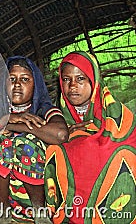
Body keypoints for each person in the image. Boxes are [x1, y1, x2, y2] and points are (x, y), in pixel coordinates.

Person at [0, 56, 68, 223]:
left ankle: (40, 213)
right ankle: (2, 212)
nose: (17, 85)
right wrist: (3, 121)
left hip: (43, 198)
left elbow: (61, 134)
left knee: (23, 143)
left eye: (25, 79)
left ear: (35, 85)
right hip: (6, 200)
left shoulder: (44, 110)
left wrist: (14, 126)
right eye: (12, 79)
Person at [44, 51, 136, 223]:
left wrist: (82, 138)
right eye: (66, 79)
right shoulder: (57, 117)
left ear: (93, 81)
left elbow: (125, 141)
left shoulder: (115, 112)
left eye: (80, 79)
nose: (72, 86)